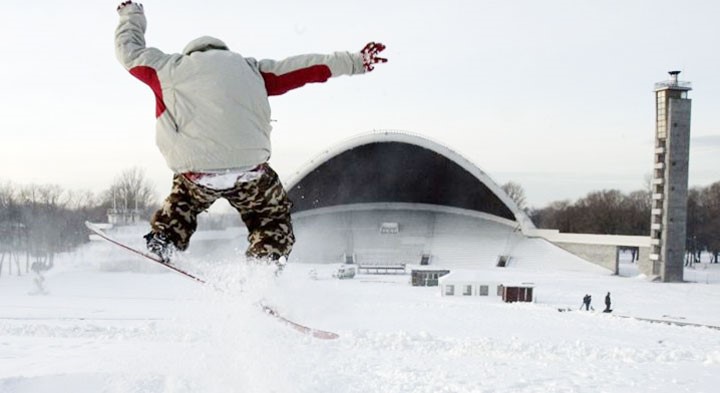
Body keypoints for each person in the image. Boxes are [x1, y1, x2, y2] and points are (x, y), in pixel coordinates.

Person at [114, 1, 387, 267]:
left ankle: (166, 238)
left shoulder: (167, 69)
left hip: (196, 173)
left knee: (183, 200)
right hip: (250, 170)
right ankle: (265, 260)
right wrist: (355, 62)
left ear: (190, 53)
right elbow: (305, 68)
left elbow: (130, 53)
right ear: (223, 50)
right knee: (271, 215)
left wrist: (131, 15)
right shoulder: (252, 69)